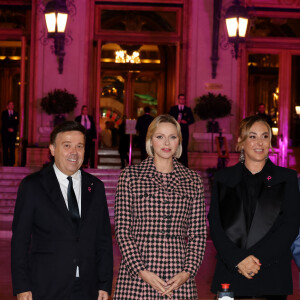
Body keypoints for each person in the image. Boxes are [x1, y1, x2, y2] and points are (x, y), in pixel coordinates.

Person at [11, 121, 113, 300]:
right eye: (67, 146)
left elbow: (103, 240)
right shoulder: (32, 186)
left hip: (88, 287)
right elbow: (20, 242)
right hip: (45, 286)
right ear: (52, 149)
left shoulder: (96, 187)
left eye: (79, 146)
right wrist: (22, 286)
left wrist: (104, 284)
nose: (74, 152)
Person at [114, 114, 206, 300]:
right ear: (150, 140)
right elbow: (123, 230)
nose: (166, 142)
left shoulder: (192, 180)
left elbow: (198, 233)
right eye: (160, 136)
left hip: (179, 276)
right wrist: (141, 271)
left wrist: (187, 272)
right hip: (137, 275)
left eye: (172, 137)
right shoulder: (131, 177)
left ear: (179, 141)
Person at [208, 115, 300, 300]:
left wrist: (257, 261)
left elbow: (290, 226)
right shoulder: (223, 178)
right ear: (241, 142)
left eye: (265, 136)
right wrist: (237, 260)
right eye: (252, 136)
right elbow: (216, 225)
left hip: (272, 276)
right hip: (231, 273)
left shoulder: (288, 178)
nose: (260, 142)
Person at [169, 94, 194, 167]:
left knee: (184, 147)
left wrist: (186, 122)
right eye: (181, 99)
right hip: (175, 131)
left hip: (184, 131)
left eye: (183, 99)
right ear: (178, 99)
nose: (182, 100)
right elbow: (169, 118)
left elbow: (192, 120)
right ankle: (174, 164)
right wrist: (176, 121)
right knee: (175, 147)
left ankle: (185, 165)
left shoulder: (187, 109)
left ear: (184, 100)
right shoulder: (173, 109)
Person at [1, 100, 19, 166]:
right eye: (10, 104)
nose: (11, 106)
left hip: (12, 134)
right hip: (6, 134)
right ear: (7, 106)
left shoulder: (16, 114)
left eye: (12, 104)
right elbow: (4, 121)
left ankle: (12, 162)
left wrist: (12, 129)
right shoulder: (4, 113)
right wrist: (8, 128)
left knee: (12, 148)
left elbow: (16, 123)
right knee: (5, 148)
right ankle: (5, 163)